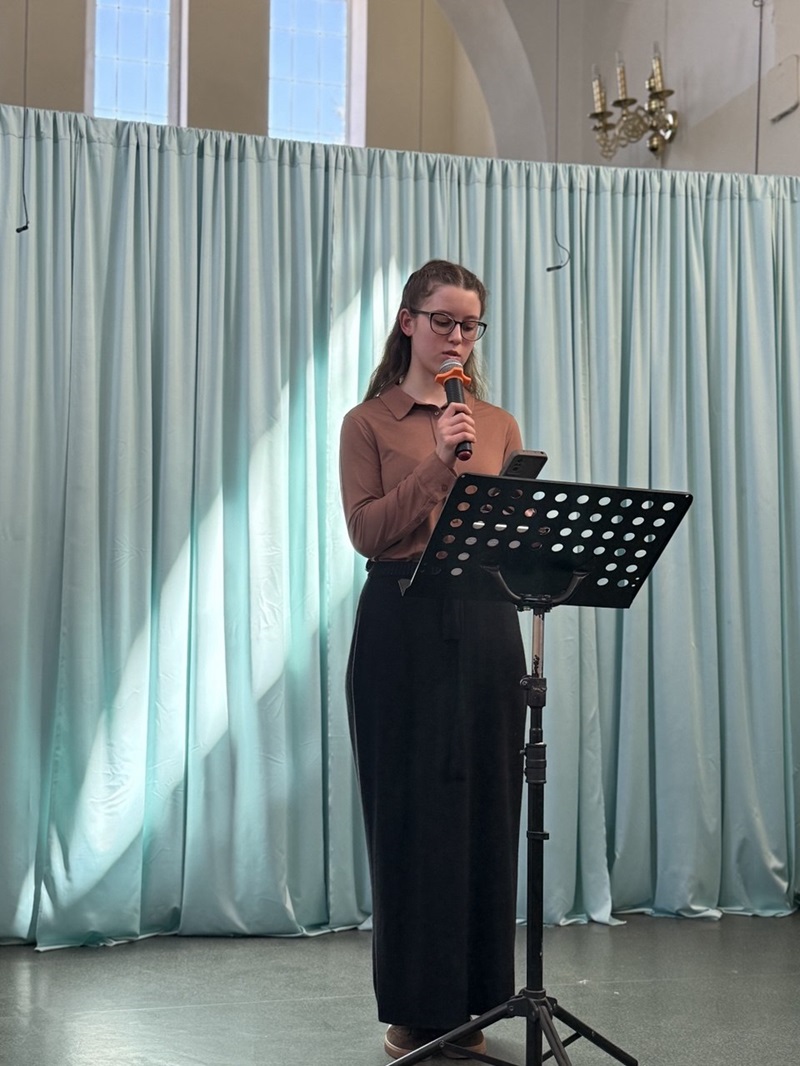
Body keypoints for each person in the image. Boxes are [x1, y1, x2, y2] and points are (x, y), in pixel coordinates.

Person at [339, 259, 528, 1061]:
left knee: (486, 811)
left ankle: (475, 1004)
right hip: (401, 621)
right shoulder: (368, 422)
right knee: (411, 820)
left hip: (486, 621)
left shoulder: (499, 423)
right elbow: (367, 532)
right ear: (408, 322)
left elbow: (512, 536)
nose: (456, 337)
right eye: (442, 320)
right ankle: (416, 1013)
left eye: (469, 324)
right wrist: (437, 463)